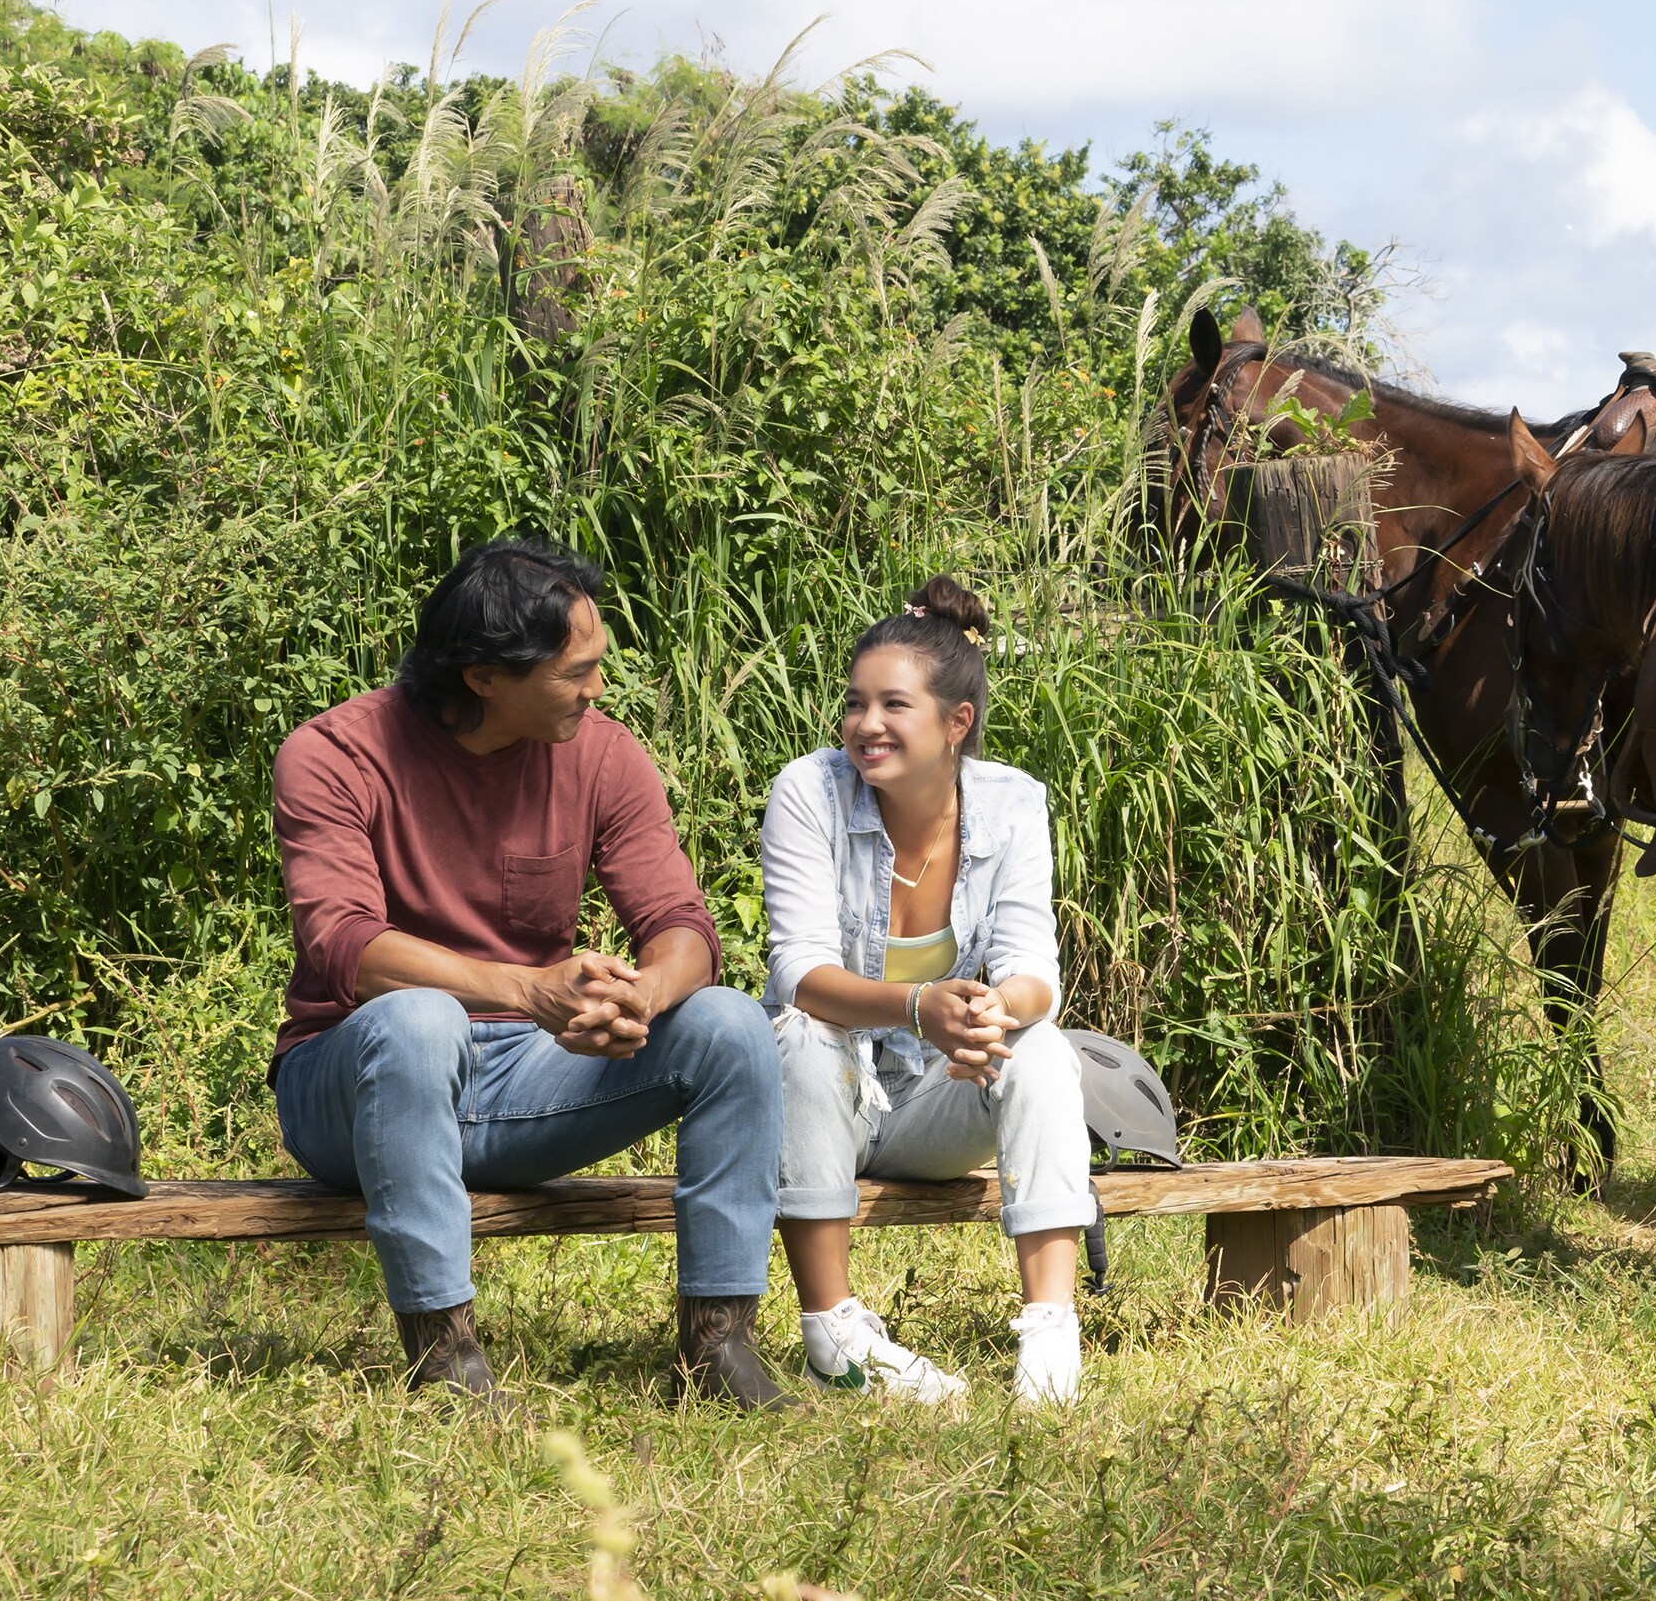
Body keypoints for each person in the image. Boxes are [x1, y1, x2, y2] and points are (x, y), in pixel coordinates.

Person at [269, 539, 793, 1410]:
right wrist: (529, 992)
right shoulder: (335, 755)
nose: (597, 690)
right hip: (351, 1084)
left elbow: (682, 927)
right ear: (482, 676)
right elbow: (345, 948)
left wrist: (644, 994)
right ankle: (444, 1356)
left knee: (730, 1024)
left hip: (523, 1080)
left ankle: (719, 1347)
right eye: (574, 672)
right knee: (420, 1020)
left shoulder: (602, 753)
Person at [761, 576, 1096, 1406]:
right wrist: (920, 1006)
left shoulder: (1014, 804)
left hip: (933, 1104)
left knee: (1042, 1047)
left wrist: (992, 1009)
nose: (865, 725)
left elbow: (1034, 973)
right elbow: (796, 973)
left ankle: (1052, 1333)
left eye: (892, 706)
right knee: (800, 1031)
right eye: (854, 704)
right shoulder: (809, 792)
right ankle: (833, 1332)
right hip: (821, 1104)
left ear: (957, 723)